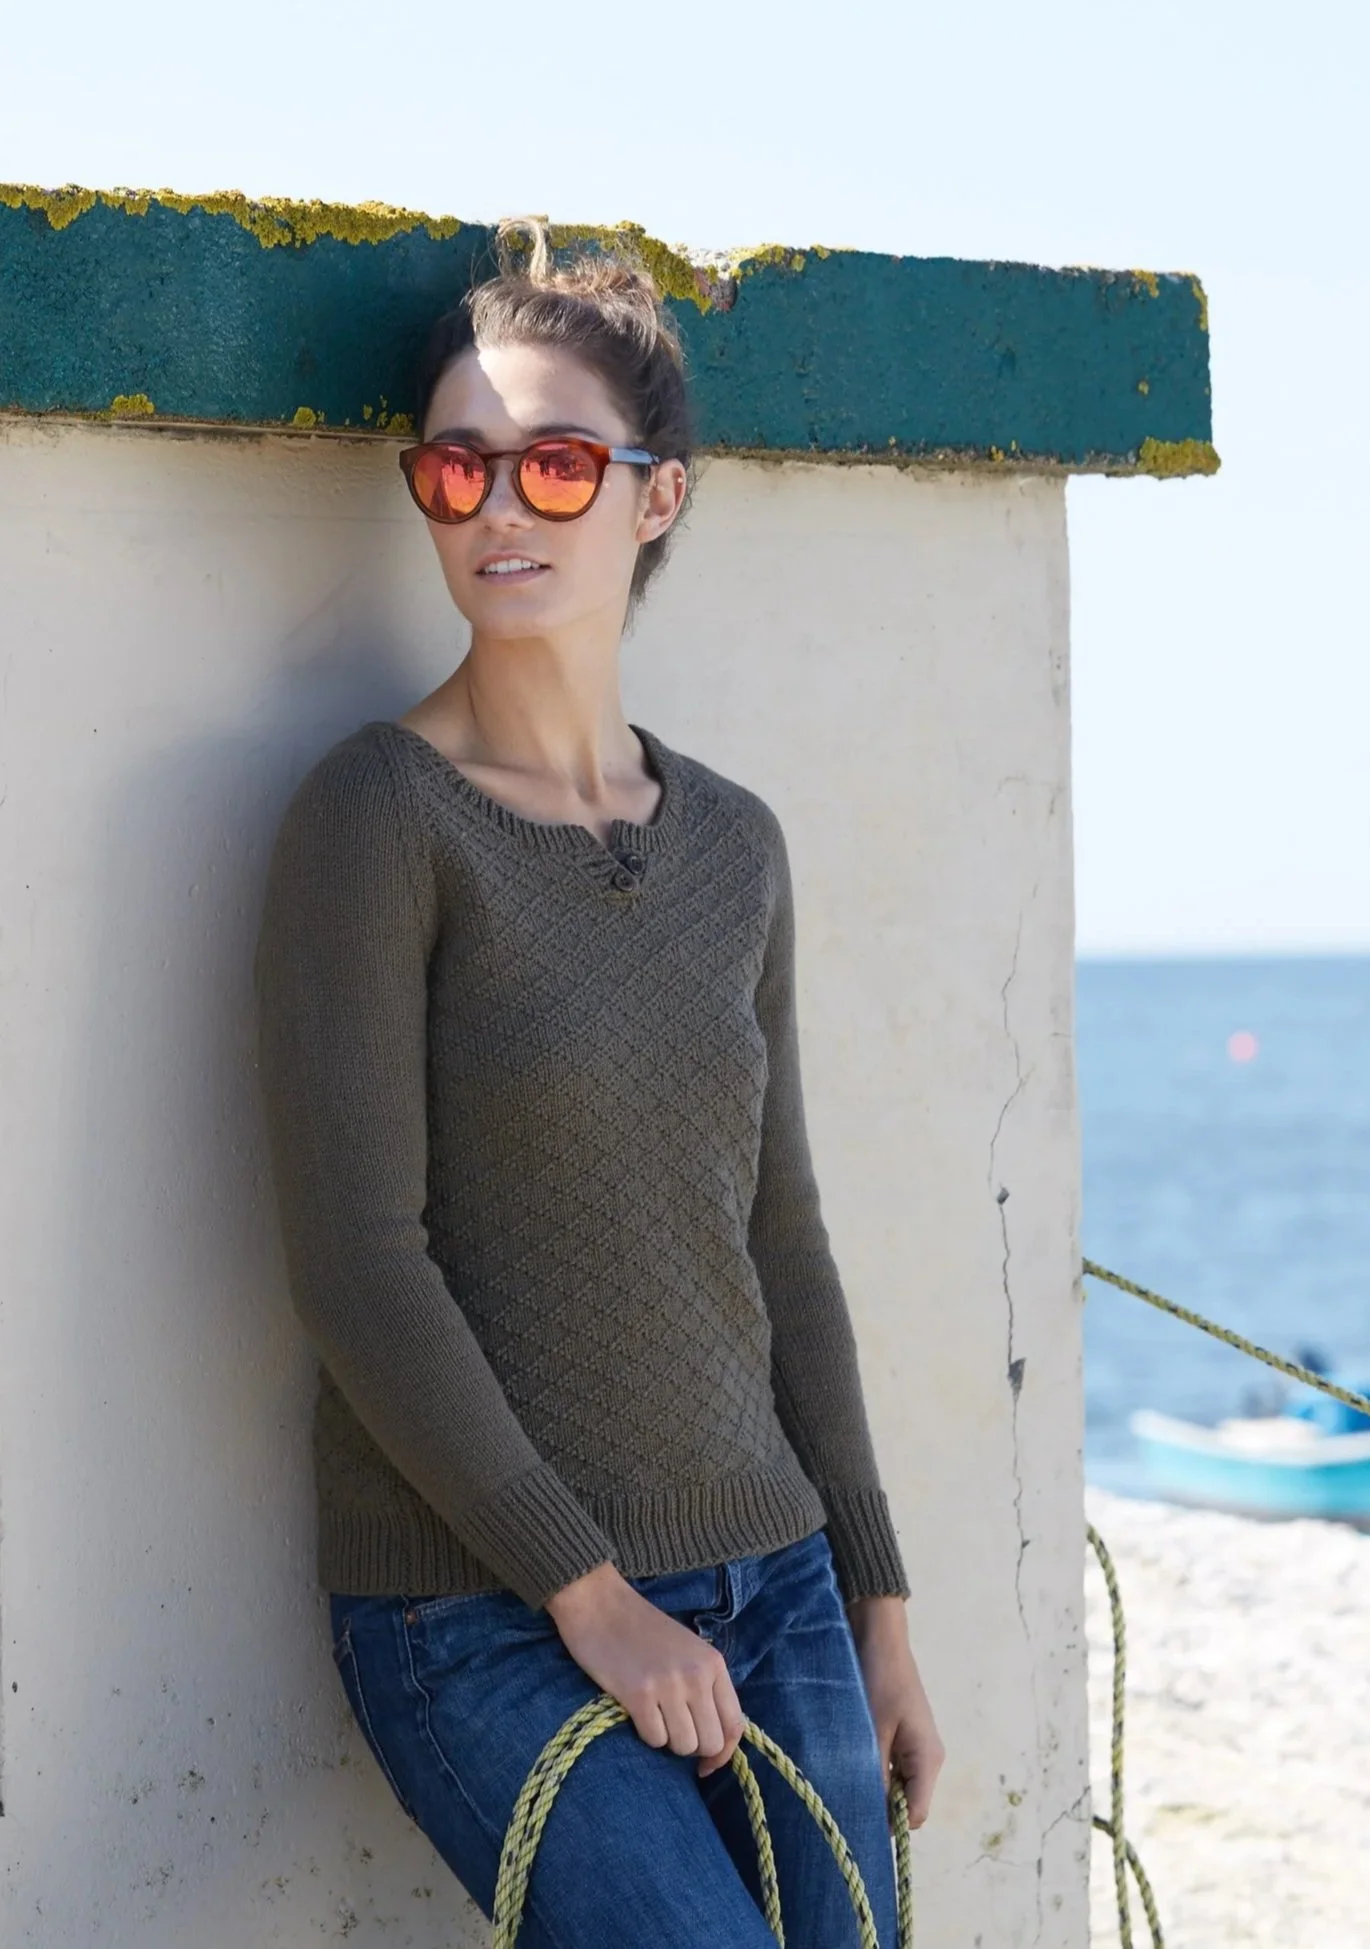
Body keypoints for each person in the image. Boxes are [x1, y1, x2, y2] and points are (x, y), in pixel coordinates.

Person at [253, 217, 943, 1947]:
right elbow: (358, 1264)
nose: (499, 507)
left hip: (777, 1583)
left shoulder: (735, 843)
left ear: (656, 498)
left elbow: (782, 1241)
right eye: (457, 468)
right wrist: (590, 1597)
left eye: (556, 464)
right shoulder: (376, 818)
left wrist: (876, 1608)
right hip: (478, 1608)